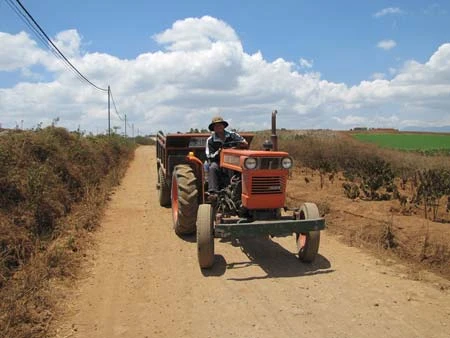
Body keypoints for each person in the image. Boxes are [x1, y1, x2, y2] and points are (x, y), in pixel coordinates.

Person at [205, 116, 248, 195]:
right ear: (213, 128)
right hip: (218, 162)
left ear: (223, 126)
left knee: (246, 167)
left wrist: (236, 147)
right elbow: (209, 156)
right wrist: (219, 152)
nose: (218, 127)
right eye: (216, 126)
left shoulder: (232, 135)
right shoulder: (210, 140)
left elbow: (244, 143)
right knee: (213, 167)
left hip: (234, 160)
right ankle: (213, 192)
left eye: (220, 125)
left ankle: (243, 188)